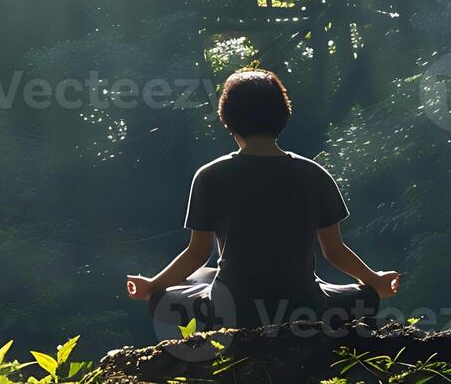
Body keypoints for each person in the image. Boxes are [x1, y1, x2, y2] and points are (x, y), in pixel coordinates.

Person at [125, 68, 402, 329]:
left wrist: (151, 286)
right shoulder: (314, 174)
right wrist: (376, 281)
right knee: (365, 295)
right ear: (282, 117)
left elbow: (196, 253)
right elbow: (335, 252)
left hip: (234, 310)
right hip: (304, 308)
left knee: (165, 297)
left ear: (228, 119)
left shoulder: (210, 175)